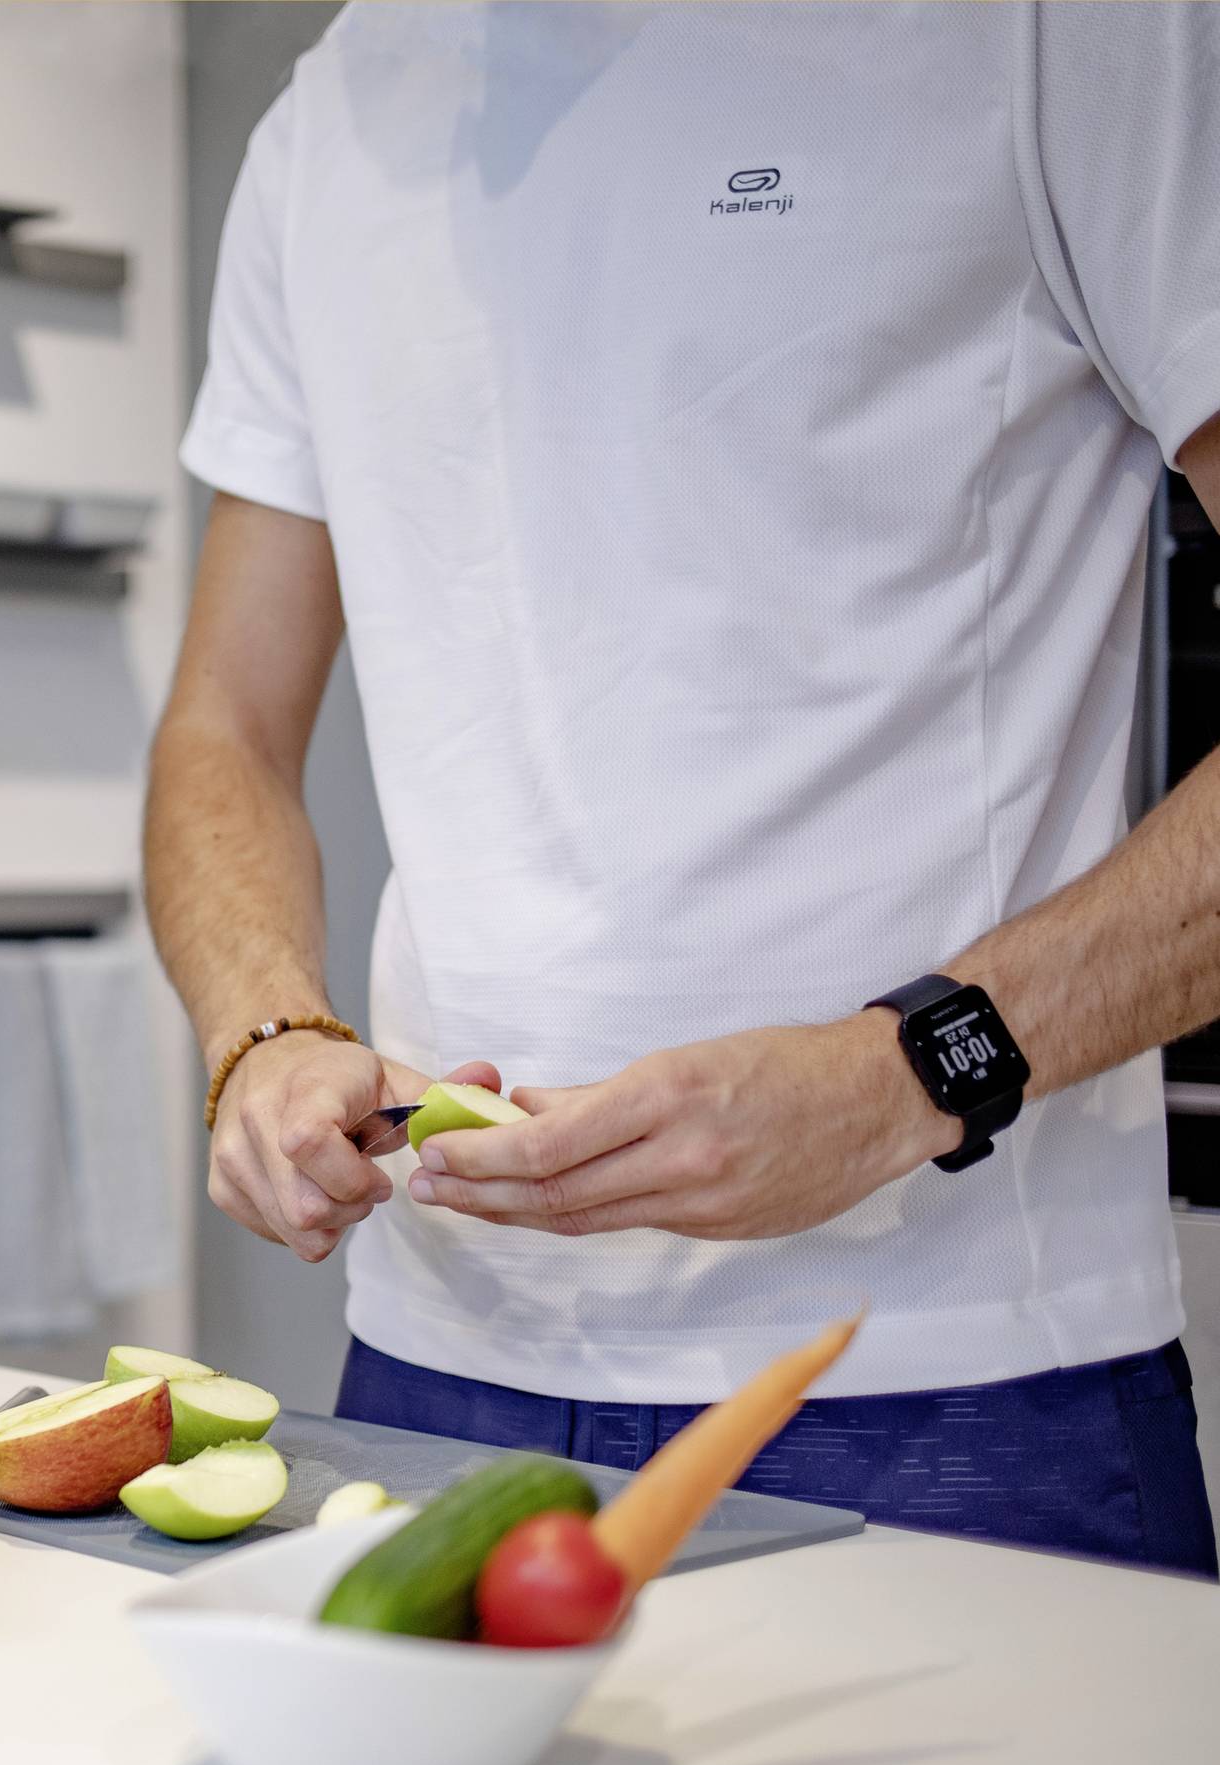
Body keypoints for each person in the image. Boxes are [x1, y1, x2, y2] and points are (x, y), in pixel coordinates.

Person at [144, 2, 1220, 1571]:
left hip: (954, 1377)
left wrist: (904, 1077)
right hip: (437, 1373)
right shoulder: (333, 113)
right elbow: (223, 725)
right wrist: (263, 1029)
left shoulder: (1058, 28)